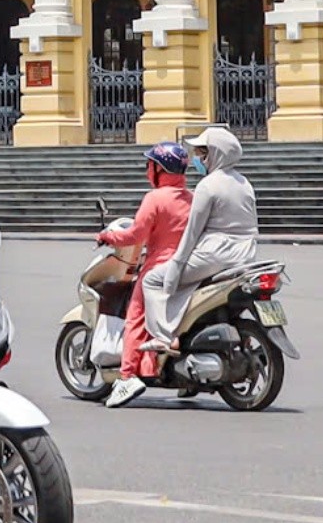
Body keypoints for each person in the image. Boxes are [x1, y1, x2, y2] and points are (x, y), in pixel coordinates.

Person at [134, 125, 260, 390]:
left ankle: (164, 337)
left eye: (203, 153)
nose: (198, 160)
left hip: (214, 253)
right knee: (187, 285)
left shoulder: (208, 186)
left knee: (154, 281)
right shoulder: (244, 183)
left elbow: (192, 233)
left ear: (216, 154)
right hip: (245, 254)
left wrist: (176, 267)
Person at [97, 143, 194, 407]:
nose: (146, 171)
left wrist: (108, 236)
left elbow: (136, 235)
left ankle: (127, 375)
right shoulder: (191, 198)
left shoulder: (155, 198)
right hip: (190, 268)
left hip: (159, 267)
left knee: (135, 318)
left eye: (148, 165)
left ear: (159, 169)